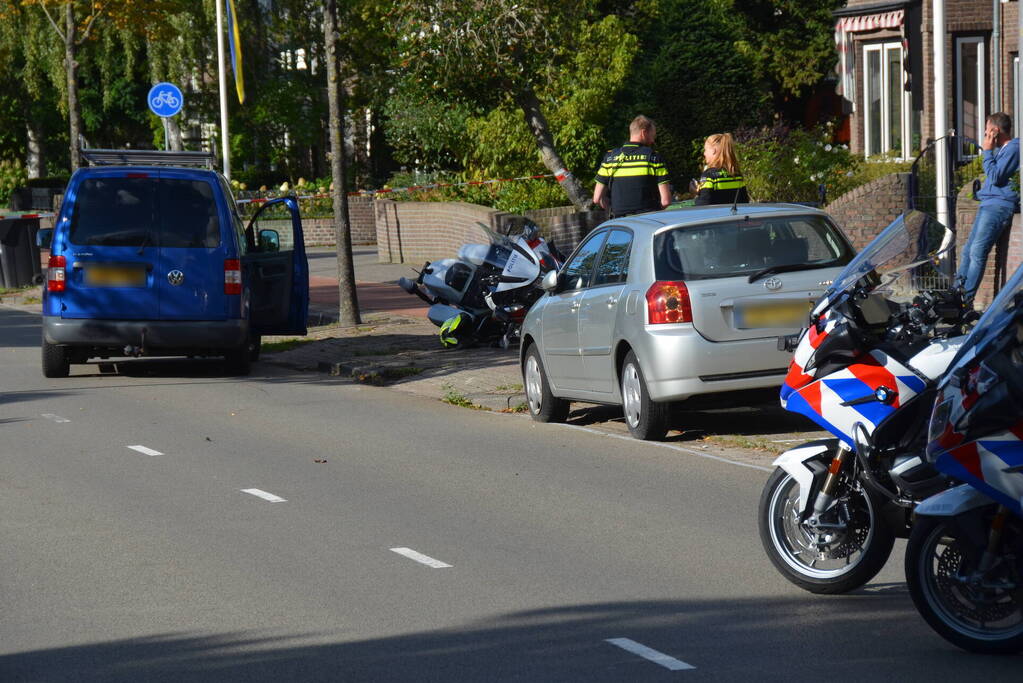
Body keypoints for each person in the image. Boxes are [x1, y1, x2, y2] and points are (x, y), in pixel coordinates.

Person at [956, 112, 1020, 307]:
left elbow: (995, 177)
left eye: (987, 130)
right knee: (967, 251)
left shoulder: (1014, 148)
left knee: (977, 252)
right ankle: (955, 295)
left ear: (995, 130)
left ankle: (965, 301)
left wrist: (987, 151)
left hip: (998, 207)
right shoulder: (1003, 150)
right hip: (988, 205)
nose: (985, 133)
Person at [593, 115, 672, 218]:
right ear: (644, 133)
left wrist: (612, 210)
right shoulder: (653, 157)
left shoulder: (609, 158)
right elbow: (666, 201)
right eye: (652, 136)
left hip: (621, 223)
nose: (653, 141)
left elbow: (597, 198)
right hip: (648, 220)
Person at [693, 133, 749, 205]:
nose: (704, 153)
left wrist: (696, 194)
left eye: (705, 150)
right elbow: (745, 202)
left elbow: (703, 205)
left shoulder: (709, 176)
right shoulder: (737, 175)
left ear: (713, 150)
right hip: (734, 212)